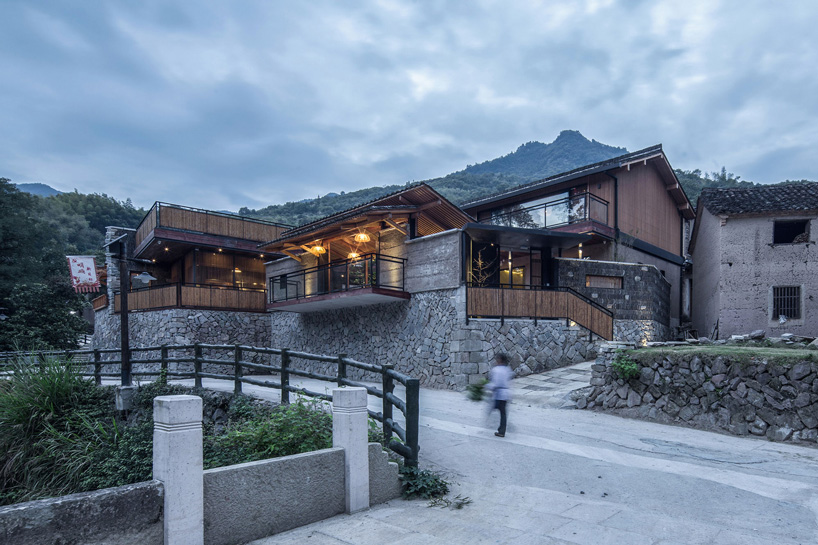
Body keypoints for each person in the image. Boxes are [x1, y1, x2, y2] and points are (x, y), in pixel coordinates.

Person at [486, 353, 512, 437]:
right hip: (506, 394)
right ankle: (502, 430)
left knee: (493, 409)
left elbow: (495, 383)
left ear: (500, 360)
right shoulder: (508, 369)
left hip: (498, 394)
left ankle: (497, 427)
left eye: (497, 359)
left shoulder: (496, 370)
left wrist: (485, 386)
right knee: (503, 412)